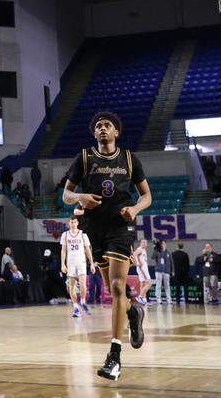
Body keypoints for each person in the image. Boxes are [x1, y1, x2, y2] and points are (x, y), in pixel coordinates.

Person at [62, 111, 151, 381]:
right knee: (117, 293)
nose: (102, 128)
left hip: (119, 226)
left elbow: (147, 195)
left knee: (115, 286)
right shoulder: (85, 158)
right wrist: (80, 196)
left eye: (107, 125)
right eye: (98, 126)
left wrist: (135, 209)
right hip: (94, 228)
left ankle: (114, 356)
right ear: (94, 134)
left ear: (116, 133)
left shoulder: (129, 159)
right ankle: (134, 313)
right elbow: (66, 195)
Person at [60, 216, 94, 317]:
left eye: (74, 222)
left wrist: (91, 263)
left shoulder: (83, 234)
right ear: (69, 223)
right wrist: (63, 264)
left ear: (77, 223)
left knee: (83, 284)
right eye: (71, 222)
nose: (73, 224)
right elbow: (63, 250)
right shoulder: (65, 235)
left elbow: (88, 250)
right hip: (70, 262)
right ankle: (75, 308)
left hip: (81, 262)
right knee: (71, 286)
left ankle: (83, 301)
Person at [132, 239, 152, 305]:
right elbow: (134, 254)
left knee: (143, 284)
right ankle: (140, 297)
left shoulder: (144, 250)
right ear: (141, 243)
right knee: (149, 283)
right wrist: (136, 263)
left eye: (146, 242)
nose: (145, 244)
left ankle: (144, 300)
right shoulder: (140, 249)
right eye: (144, 242)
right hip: (142, 269)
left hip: (144, 268)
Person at [152, 240, 171, 305]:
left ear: (165, 244)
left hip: (166, 271)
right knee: (158, 285)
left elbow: (171, 262)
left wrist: (172, 270)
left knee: (167, 286)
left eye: (164, 244)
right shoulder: (157, 251)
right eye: (161, 244)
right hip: (158, 271)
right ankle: (158, 300)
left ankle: (169, 300)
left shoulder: (168, 252)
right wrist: (155, 249)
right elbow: (153, 257)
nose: (163, 245)